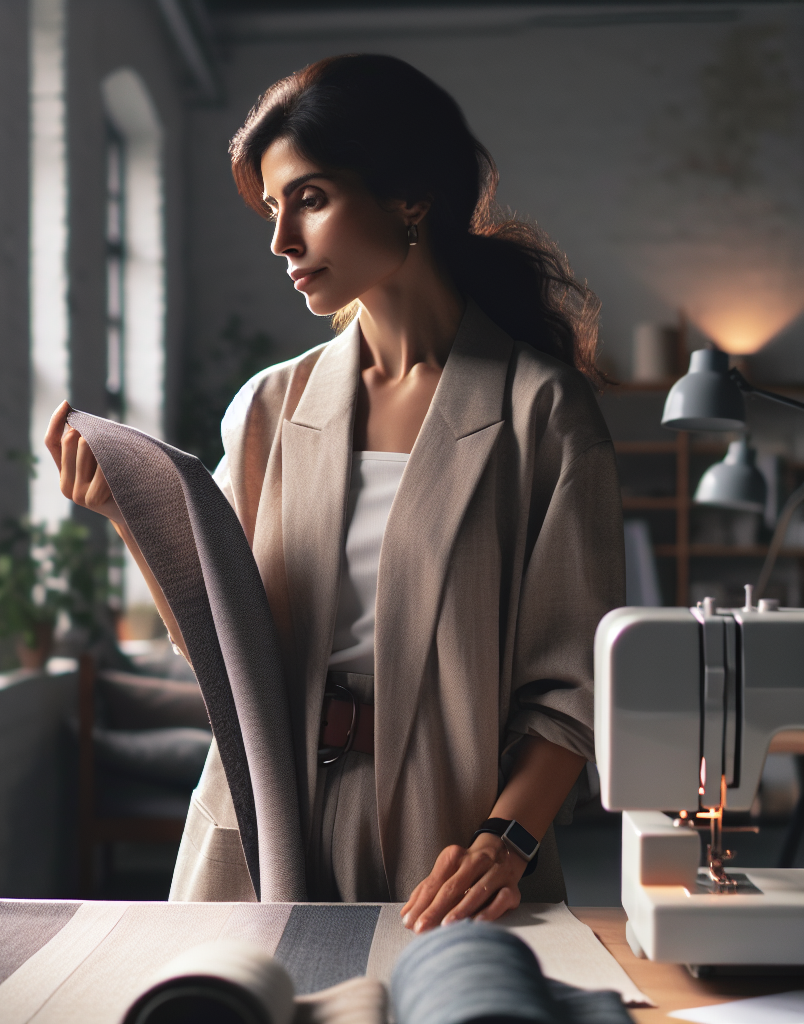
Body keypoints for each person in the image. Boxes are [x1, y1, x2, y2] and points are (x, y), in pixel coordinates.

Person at [46, 54, 624, 929]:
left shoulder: (541, 412)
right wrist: (132, 519)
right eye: (273, 209)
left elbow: (572, 690)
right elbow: (224, 650)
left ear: (410, 196)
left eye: (309, 200)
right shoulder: (269, 407)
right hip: (261, 812)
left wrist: (504, 842)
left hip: (451, 834)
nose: (282, 240)